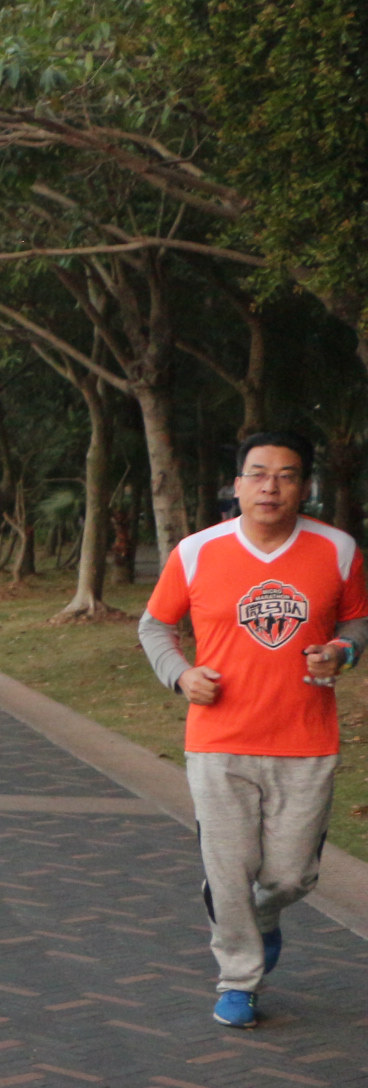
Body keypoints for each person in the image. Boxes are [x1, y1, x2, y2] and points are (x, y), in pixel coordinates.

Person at [139, 432, 367, 1029]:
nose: (271, 487)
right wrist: (181, 675)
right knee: (229, 870)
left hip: (305, 739)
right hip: (218, 741)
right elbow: (155, 626)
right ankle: (239, 979)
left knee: (292, 876)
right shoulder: (195, 551)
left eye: (286, 475)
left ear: (304, 486)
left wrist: (342, 652)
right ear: (236, 484)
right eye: (258, 474)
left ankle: (263, 917)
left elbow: (356, 621)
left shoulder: (338, 549)